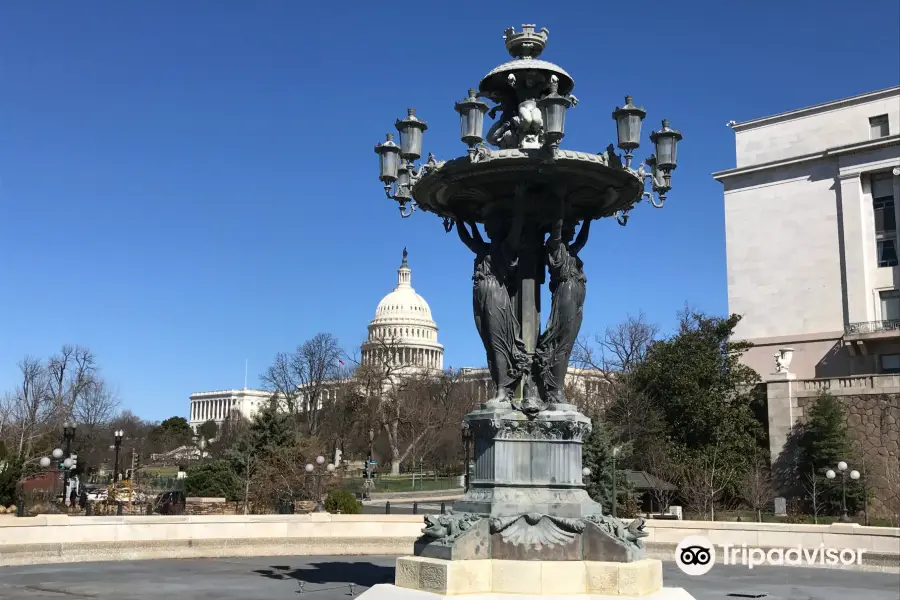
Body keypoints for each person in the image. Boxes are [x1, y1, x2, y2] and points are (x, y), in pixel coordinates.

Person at [456, 204, 530, 405]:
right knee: (488, 343)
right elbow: (467, 239)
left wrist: (520, 202)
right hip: (479, 294)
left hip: (495, 294)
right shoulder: (485, 249)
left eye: (490, 224)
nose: (487, 228)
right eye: (485, 226)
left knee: (498, 342)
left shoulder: (506, 247)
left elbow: (516, 230)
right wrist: (460, 218)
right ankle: (501, 386)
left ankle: (503, 389)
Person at [535, 198, 592, 404]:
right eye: (568, 228)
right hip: (566, 294)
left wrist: (588, 219)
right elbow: (557, 229)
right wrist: (559, 200)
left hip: (576, 297)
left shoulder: (570, 251)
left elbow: (582, 239)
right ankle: (552, 388)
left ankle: (555, 387)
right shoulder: (555, 247)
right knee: (561, 341)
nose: (572, 232)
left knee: (567, 343)